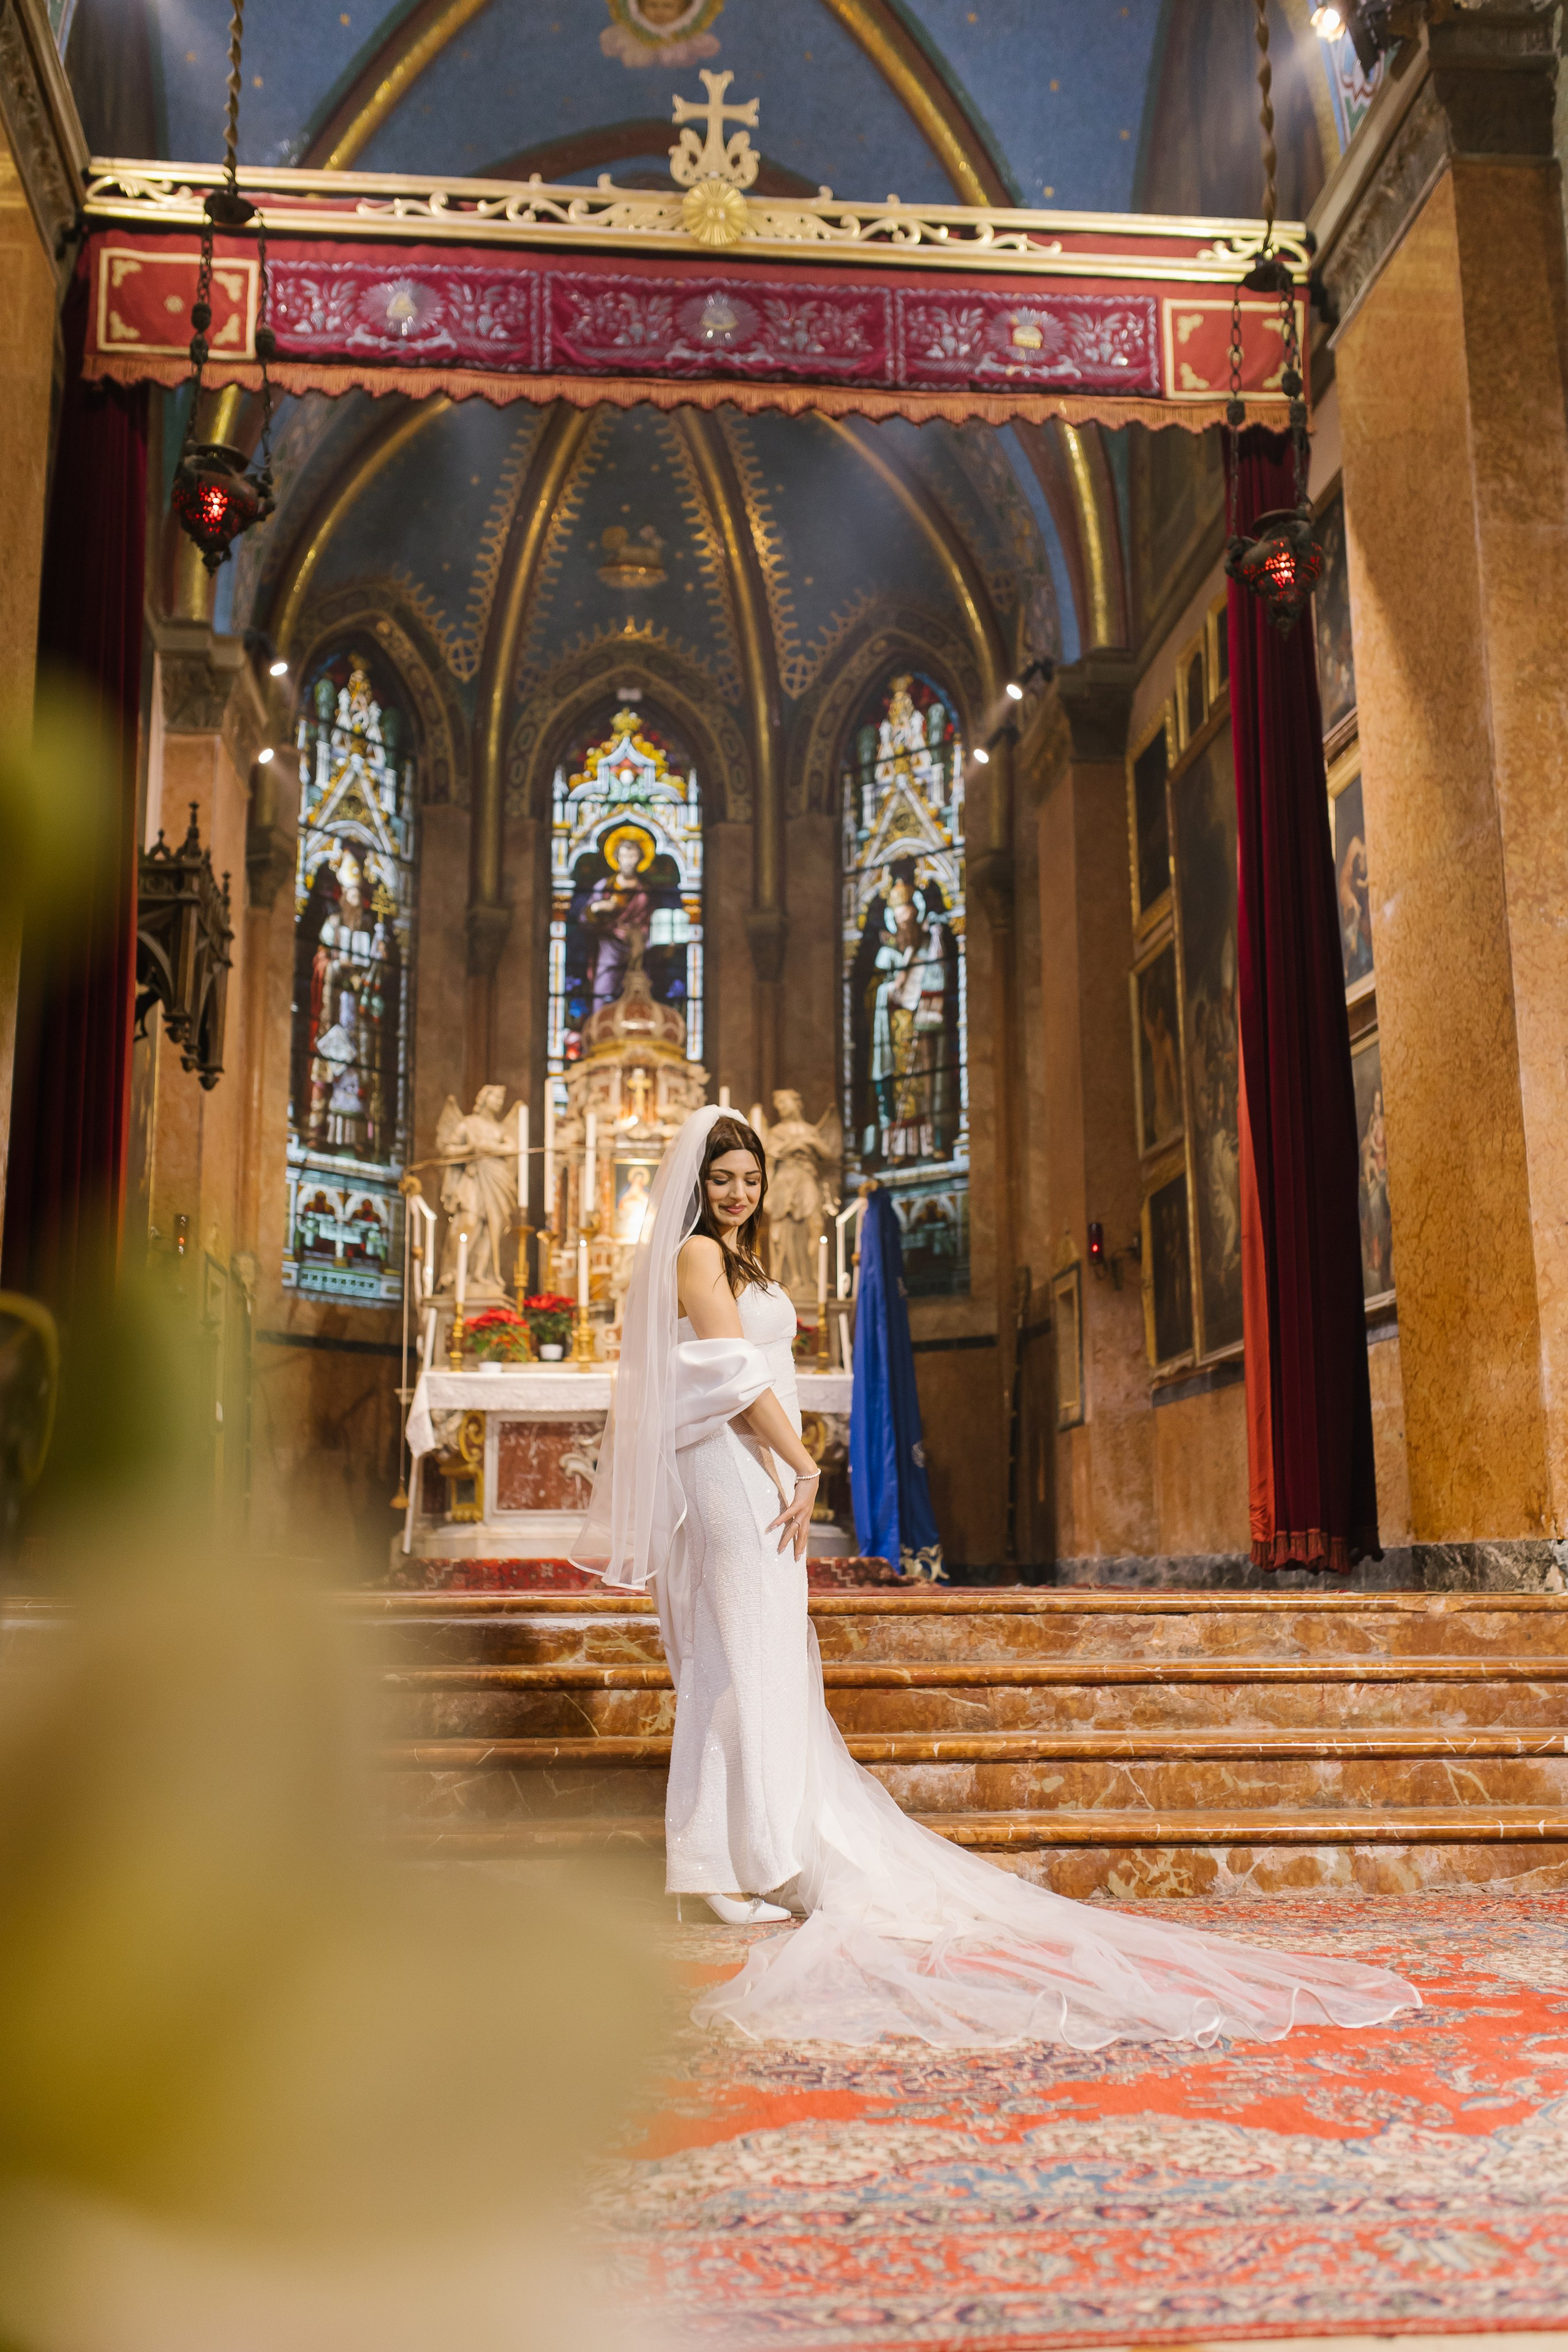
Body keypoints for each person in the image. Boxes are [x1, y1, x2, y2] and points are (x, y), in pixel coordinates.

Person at [573, 1106, 1421, 2049]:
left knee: (769, 1655)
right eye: (724, 1178)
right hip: (735, 1466)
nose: (738, 1193)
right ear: (698, 1183)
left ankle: (763, 1850)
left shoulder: (750, 1261)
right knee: (737, 1657)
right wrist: (805, 1465)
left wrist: (791, 1464)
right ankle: (722, 1866)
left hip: (762, 1463)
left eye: (750, 1179)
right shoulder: (696, 1253)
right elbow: (733, 1375)